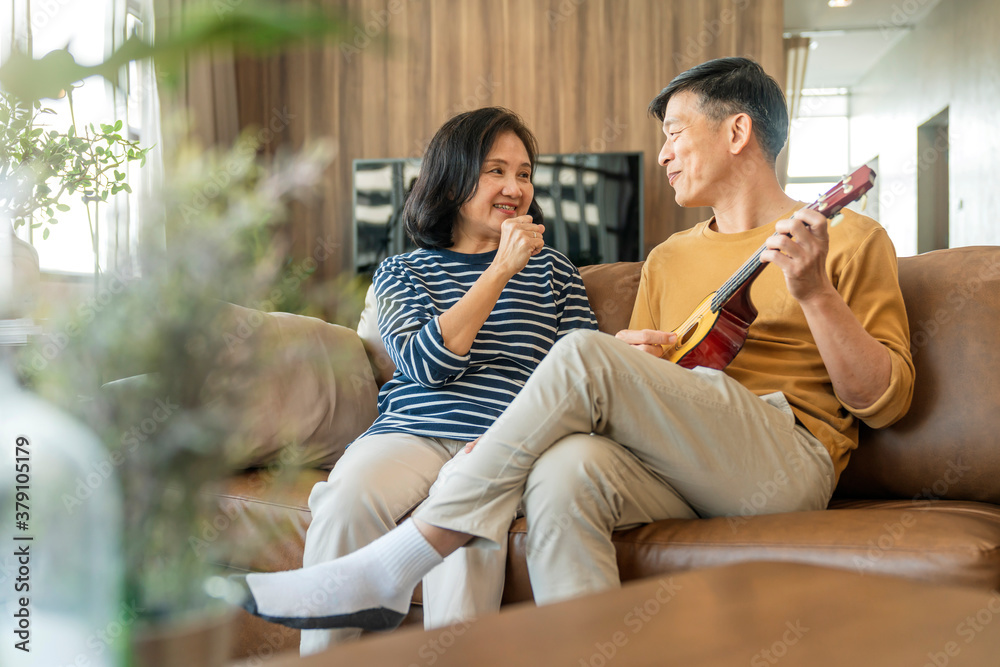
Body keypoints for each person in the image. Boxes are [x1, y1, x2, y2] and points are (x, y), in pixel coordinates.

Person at [235, 57, 915, 632]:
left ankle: (402, 556)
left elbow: (883, 404)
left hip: (784, 458)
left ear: (738, 130)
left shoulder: (849, 238)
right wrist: (639, 362)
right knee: (563, 473)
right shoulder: (669, 258)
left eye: (675, 133)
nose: (663, 153)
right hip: (683, 459)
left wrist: (815, 292)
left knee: (586, 352)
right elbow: (654, 380)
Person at [274, 106, 598, 653]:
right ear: (451, 181)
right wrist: (499, 271)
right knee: (344, 501)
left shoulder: (557, 272)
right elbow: (426, 365)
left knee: (465, 538)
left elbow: (581, 371)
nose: (514, 188)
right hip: (411, 432)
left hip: (504, 440)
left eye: (523, 174)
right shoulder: (405, 271)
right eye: (495, 170)